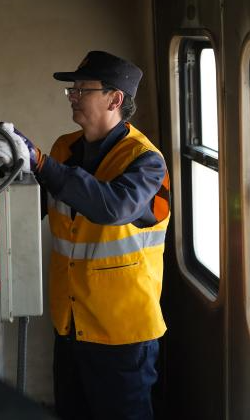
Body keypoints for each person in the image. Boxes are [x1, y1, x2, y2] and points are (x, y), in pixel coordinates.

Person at [15, 50, 170, 420]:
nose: (73, 96)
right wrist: (8, 169)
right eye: (72, 90)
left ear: (114, 99)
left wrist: (41, 163)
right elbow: (30, 209)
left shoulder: (147, 161)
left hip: (122, 332)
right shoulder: (64, 149)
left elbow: (113, 207)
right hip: (70, 321)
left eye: (82, 89)